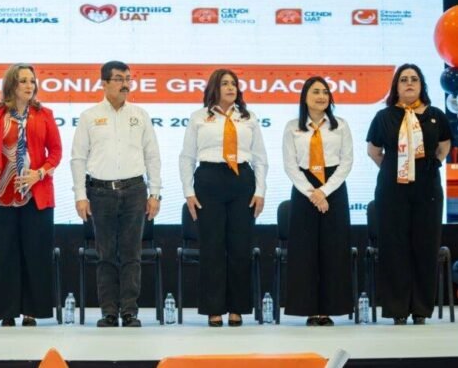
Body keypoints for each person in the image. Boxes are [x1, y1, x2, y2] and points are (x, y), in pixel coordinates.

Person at [70, 60, 161, 328]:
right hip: (100, 192)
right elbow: (78, 158)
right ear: (105, 83)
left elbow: (152, 155)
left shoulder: (140, 115)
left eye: (128, 79)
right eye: (119, 79)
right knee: (106, 254)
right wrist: (80, 195)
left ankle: (130, 311)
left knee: (132, 254)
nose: (125, 84)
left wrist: (155, 192)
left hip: (135, 191)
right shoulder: (89, 116)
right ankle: (108, 311)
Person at [178, 68, 267, 327]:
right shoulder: (198, 117)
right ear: (214, 88)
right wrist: (188, 192)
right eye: (225, 83)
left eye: (234, 84)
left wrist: (260, 190)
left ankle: (237, 308)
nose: (231, 88)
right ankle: (213, 308)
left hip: (242, 181)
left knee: (240, 246)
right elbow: (187, 157)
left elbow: (260, 158)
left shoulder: (248, 117)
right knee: (212, 247)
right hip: (209, 180)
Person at [0, 63, 62, 327]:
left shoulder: (44, 114)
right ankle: (7, 311)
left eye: (32, 81)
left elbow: (55, 151)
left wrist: (40, 173)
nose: (29, 85)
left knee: (35, 254)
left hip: (35, 195)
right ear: (12, 85)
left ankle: (31, 311)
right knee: (3, 255)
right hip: (0, 195)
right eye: (23, 80)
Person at [367, 63, 451, 325]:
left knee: (425, 246)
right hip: (393, 189)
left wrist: (428, 167)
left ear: (421, 84)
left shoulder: (436, 115)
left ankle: (421, 309)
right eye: (403, 79)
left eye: (414, 79)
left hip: (427, 189)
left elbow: (444, 146)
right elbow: (374, 151)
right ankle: (397, 309)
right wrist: (397, 168)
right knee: (395, 246)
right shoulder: (383, 117)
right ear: (396, 86)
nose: (409, 83)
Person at [282, 76, 353, 326]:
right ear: (305, 97)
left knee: (334, 250)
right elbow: (290, 165)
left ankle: (329, 309)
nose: (321, 96)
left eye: (325, 92)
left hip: (334, 187)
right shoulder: (292, 127)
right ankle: (310, 310)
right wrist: (312, 192)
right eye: (315, 92)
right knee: (305, 252)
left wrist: (325, 191)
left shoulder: (340, 125)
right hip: (304, 190)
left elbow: (346, 162)